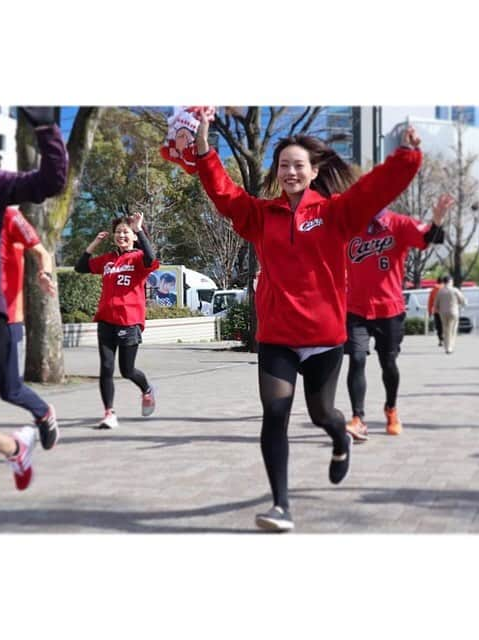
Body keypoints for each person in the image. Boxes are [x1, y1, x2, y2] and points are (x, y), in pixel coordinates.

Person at [181, 107, 424, 532]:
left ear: (313, 172)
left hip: (325, 338)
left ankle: (339, 435)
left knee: (322, 413)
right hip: (276, 335)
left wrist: (405, 156)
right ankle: (281, 505)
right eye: (284, 166)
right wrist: (205, 149)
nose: (290, 172)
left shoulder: (336, 214)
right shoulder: (260, 216)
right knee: (274, 414)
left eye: (298, 165)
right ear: (277, 174)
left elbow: (373, 189)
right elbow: (224, 194)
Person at [0, 108, 67, 489]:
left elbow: (50, 183)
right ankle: (11, 447)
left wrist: (46, 128)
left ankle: (21, 435)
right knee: (7, 387)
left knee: (11, 388)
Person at [344, 195, 452, 441]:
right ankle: (358, 418)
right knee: (357, 359)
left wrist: (436, 220)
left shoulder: (399, 224)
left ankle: (391, 408)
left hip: (389, 309)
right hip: (356, 309)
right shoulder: (349, 226)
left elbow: (430, 238)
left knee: (388, 364)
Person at [75, 212, 160, 428]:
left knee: (127, 370)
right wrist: (94, 243)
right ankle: (109, 413)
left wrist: (139, 229)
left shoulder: (139, 258)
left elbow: (151, 258)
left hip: (129, 321)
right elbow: (81, 267)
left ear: (133, 236)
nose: (121, 235)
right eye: (118, 232)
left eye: (126, 232)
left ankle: (147, 389)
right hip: (106, 321)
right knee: (106, 367)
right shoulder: (108, 260)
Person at [0, 206, 60, 456]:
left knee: (10, 389)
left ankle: (43, 412)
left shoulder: (9, 217)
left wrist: (44, 275)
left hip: (7, 319)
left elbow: (42, 252)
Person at [434, 276, 466, 354]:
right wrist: (461, 304)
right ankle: (450, 347)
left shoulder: (440, 291)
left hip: (443, 313)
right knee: (453, 330)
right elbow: (462, 300)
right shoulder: (455, 290)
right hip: (454, 312)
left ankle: (446, 347)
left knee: (445, 329)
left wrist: (438, 309)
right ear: (450, 281)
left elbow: (436, 304)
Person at [428, 276, 446, 346]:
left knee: (438, 326)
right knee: (444, 325)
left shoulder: (433, 290)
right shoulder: (445, 289)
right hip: (445, 310)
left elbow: (430, 302)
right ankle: (445, 338)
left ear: (437, 281)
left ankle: (440, 339)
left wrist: (430, 311)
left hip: (436, 311)